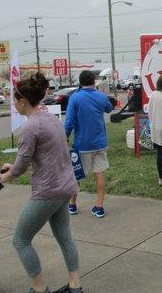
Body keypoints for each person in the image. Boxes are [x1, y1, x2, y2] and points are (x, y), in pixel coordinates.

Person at [0, 73, 82, 293]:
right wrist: (14, 165)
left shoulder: (29, 128)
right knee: (65, 238)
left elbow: (19, 170)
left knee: (20, 240)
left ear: (23, 101)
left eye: (14, 100)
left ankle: (39, 288)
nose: (14, 104)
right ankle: (75, 286)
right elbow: (46, 156)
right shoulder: (50, 118)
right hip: (65, 187)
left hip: (48, 192)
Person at [65, 70, 113, 218]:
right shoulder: (101, 96)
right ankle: (99, 207)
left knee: (77, 175)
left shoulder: (75, 98)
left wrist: (64, 137)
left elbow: (69, 122)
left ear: (80, 82)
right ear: (94, 82)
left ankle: (72, 205)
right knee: (99, 173)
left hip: (82, 144)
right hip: (100, 142)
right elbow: (109, 108)